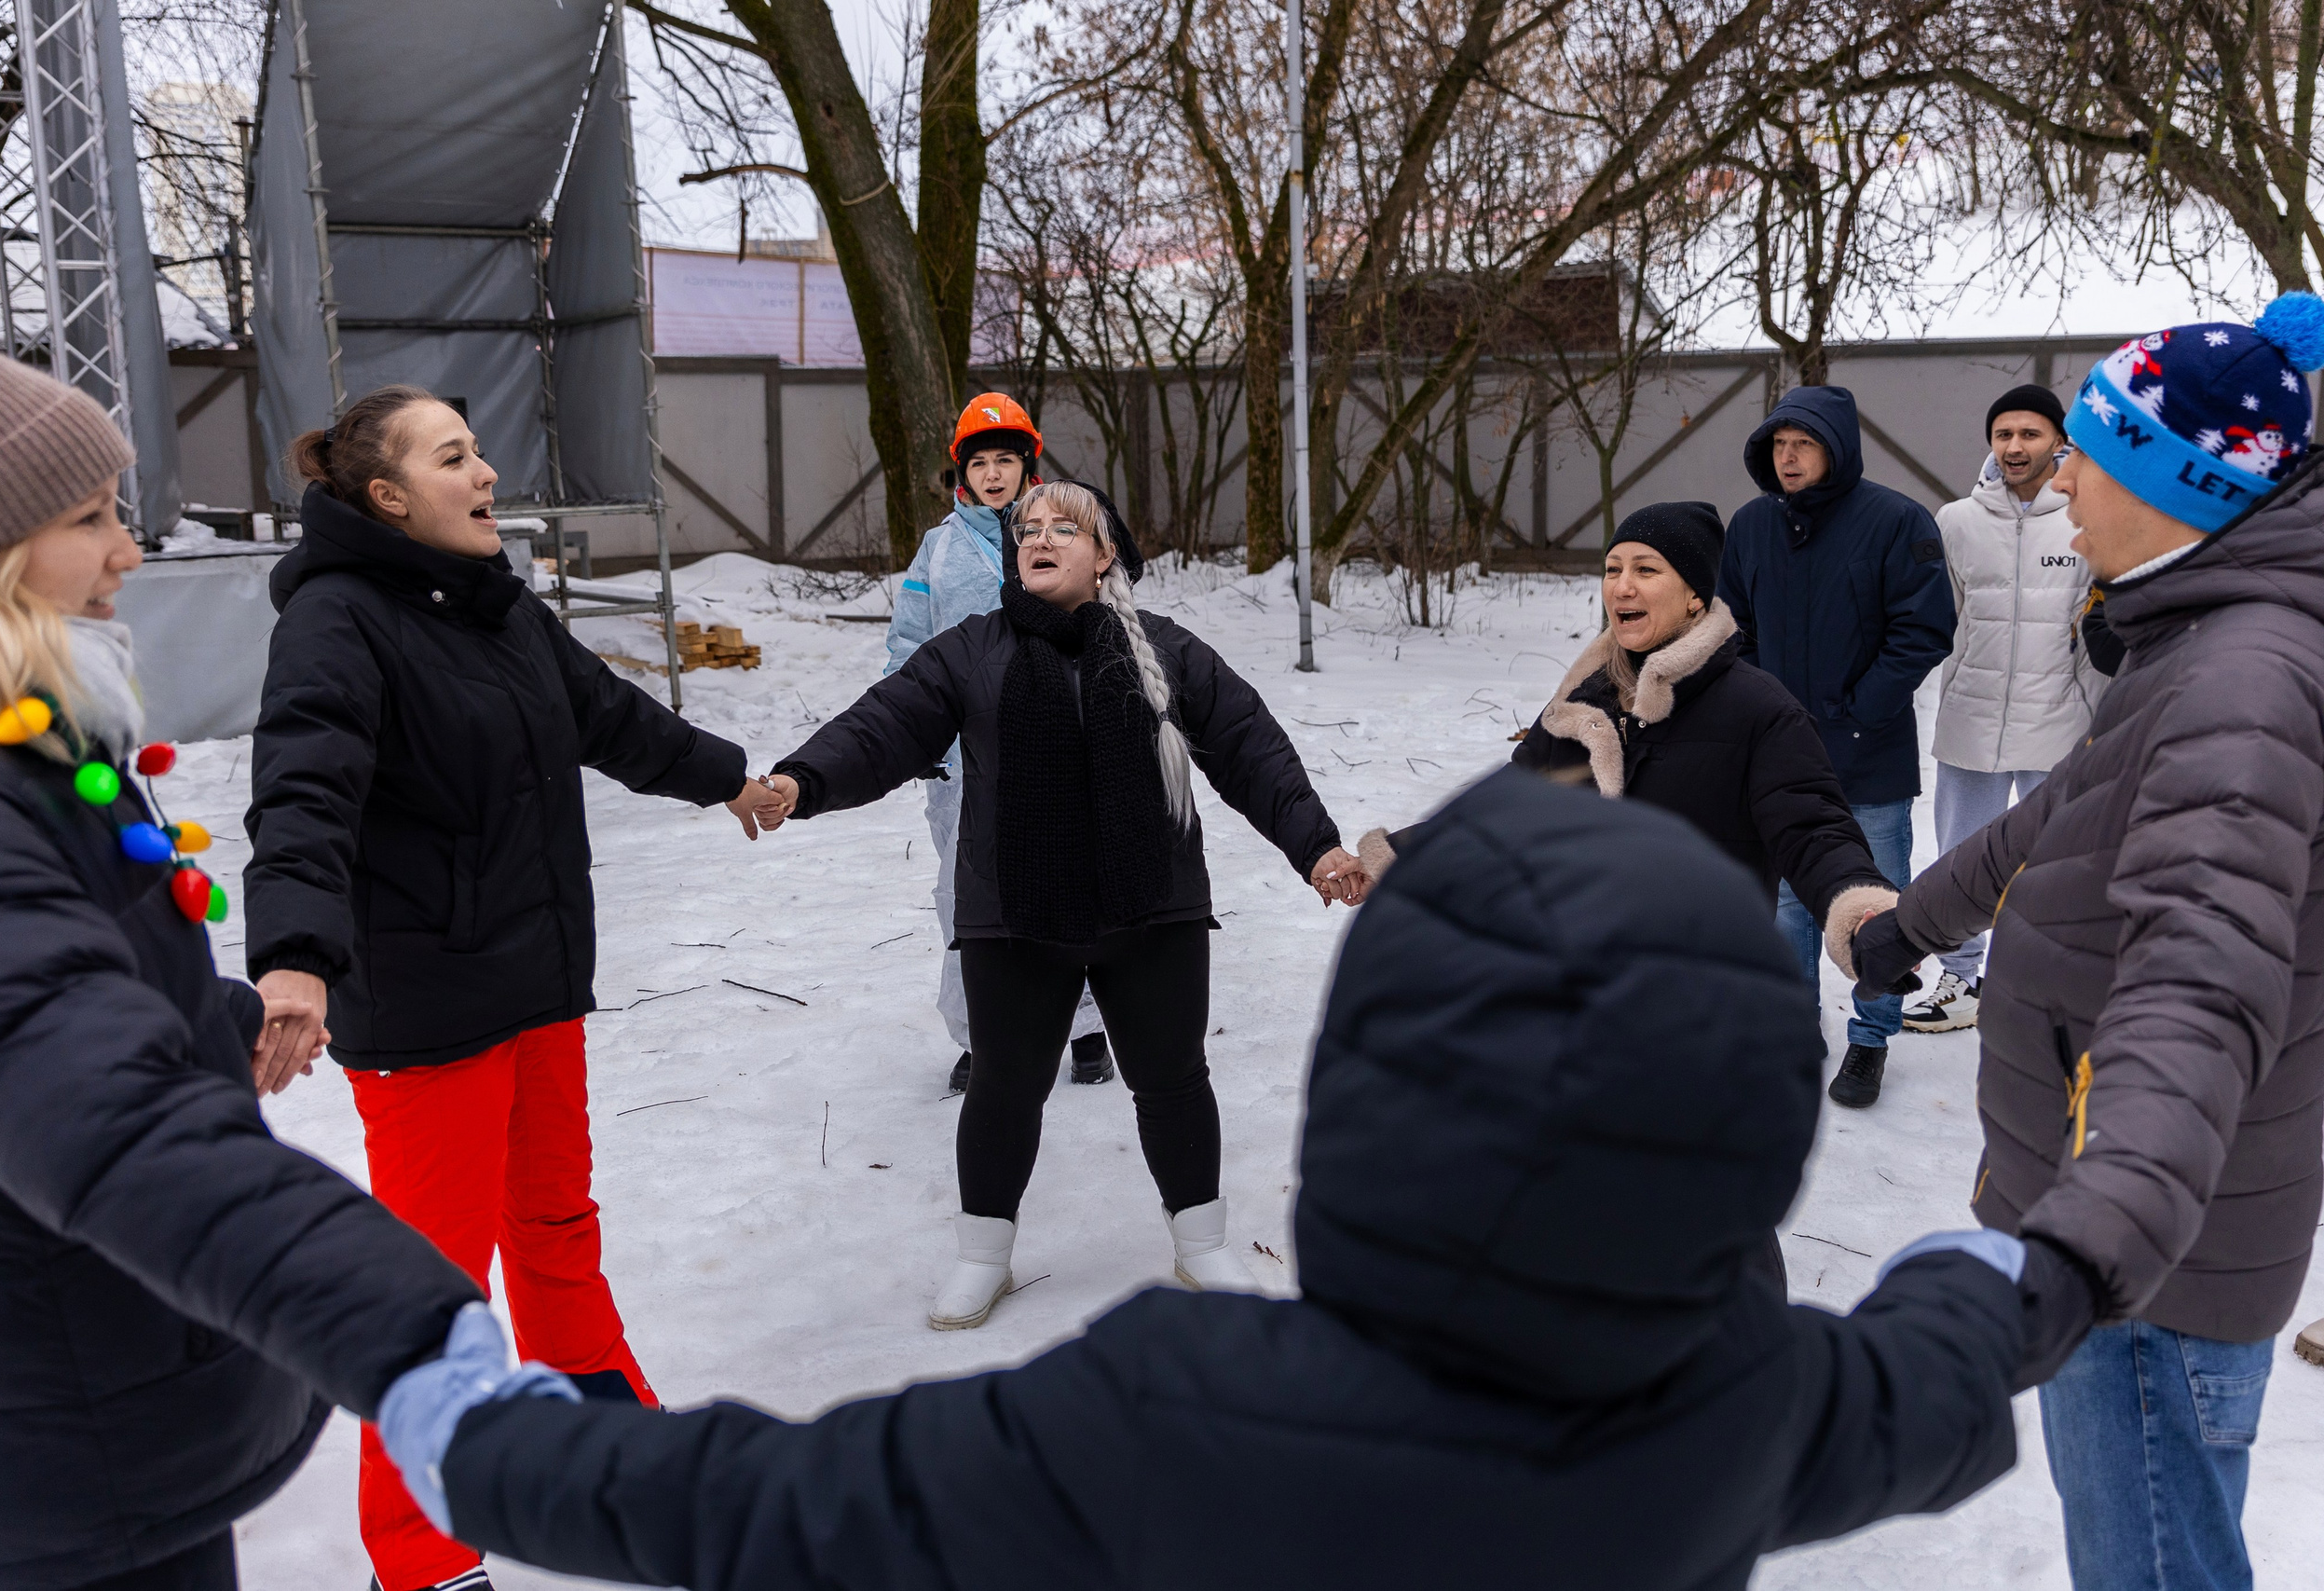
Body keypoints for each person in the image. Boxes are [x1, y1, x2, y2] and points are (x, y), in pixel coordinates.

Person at [365, 765, 2099, 1591]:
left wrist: (480, 1429)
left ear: (1373, 1094)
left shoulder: (1166, 1410)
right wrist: (1992, 1268)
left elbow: (760, 1506)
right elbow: (1934, 1389)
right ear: (1742, 1137)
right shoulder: (1753, 1400)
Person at [0, 336, 484, 1591]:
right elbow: (98, 1111)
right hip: (56, 1436)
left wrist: (205, 1010)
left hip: (103, 1388)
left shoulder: (26, 736)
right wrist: (408, 1330)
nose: (130, 551)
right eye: (89, 518)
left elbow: (52, 980)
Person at [241, 386, 778, 1591]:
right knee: (432, 1289)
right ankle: (422, 1555)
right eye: (454, 457)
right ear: (388, 496)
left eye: (478, 450)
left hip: (535, 983)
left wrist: (730, 779)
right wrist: (295, 952)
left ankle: (618, 1458)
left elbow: (612, 717)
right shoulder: (338, 622)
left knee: (555, 1233)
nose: (487, 471)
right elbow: (303, 792)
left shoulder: (495, 607)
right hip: (427, 1012)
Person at [1852, 294, 2324, 1591]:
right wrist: (1904, 927)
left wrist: (2087, 1241)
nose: (2058, 474)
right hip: (2143, 1216)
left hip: (2145, 1255)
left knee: (2156, 1566)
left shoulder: (2241, 680)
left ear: (2182, 482)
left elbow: (2205, 970)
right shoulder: (2194, 637)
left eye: (2088, 455)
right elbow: (2059, 820)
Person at [749, 480, 1366, 1329]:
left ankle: (1201, 1243)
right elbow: (883, 725)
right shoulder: (972, 651)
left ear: (1105, 553)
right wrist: (801, 780)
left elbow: (1251, 747)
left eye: (1061, 528)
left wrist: (1317, 845)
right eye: (1026, 530)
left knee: (1174, 1080)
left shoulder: (1168, 651)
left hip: (1151, 910)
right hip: (1017, 917)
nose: (1037, 538)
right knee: (1004, 1086)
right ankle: (982, 1257)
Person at [1365, 502, 1897, 975]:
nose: (1622, 586)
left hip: (1706, 988)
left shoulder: (1760, 711)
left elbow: (1814, 829)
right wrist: (1394, 858)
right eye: (1612, 569)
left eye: (1646, 570)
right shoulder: (1582, 704)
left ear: (1695, 596)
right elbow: (1503, 812)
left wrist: (1860, 911)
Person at [1718, 384, 1955, 1107]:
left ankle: (1871, 1037)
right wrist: (1766, 710)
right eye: (1778, 446)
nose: (1788, 459)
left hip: (1867, 752)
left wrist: (1858, 712)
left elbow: (1923, 629)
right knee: (1788, 899)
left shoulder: (1896, 521)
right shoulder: (1753, 525)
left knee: (1877, 900)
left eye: (1804, 444)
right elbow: (1735, 625)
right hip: (1779, 754)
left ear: (1837, 448)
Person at [888, 393, 1110, 1094]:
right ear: (963, 472)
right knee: (966, 893)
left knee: (1070, 879)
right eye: (979, 462)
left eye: (1004, 460)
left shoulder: (1064, 534)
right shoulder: (940, 547)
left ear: (1027, 466)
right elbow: (908, 643)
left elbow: (1104, 625)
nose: (992, 474)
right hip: (963, 758)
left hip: (1056, 741)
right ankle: (979, 1033)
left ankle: (1084, 1025)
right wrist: (910, 730)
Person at [1903, 385, 2098, 1037]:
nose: (2015, 446)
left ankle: (2047, 984)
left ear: (2058, 442)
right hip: (1972, 719)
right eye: (2003, 434)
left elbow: (2096, 629)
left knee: (2056, 862)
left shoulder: (2084, 514)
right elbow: (1939, 620)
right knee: (1961, 857)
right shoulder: (1955, 520)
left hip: (2058, 724)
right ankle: (1961, 977)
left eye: (2030, 434)